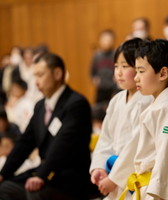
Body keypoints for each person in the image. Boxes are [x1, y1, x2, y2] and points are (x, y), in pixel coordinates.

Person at [0, 53, 94, 200]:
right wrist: (3, 173)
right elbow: (25, 143)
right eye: (34, 76)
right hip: (46, 173)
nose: (36, 82)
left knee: (35, 193)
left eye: (40, 75)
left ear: (57, 73)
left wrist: (41, 176)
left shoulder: (76, 103)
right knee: (4, 188)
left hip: (69, 178)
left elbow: (63, 145)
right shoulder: (40, 106)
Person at [118, 39, 168, 200]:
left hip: (160, 193)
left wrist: (159, 194)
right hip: (147, 186)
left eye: (141, 71)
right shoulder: (158, 106)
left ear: (163, 73)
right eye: (136, 72)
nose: (136, 78)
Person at [90, 38, 153, 200]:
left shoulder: (148, 101)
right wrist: (100, 167)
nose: (118, 72)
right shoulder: (116, 100)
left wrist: (115, 178)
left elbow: (136, 146)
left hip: (137, 177)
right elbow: (105, 139)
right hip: (114, 173)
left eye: (125, 66)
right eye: (116, 66)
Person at [90, 30, 119, 103]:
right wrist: (95, 78)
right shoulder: (97, 55)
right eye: (104, 39)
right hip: (101, 88)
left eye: (109, 40)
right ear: (100, 40)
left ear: (113, 41)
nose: (107, 42)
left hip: (113, 87)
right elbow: (92, 71)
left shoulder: (116, 55)